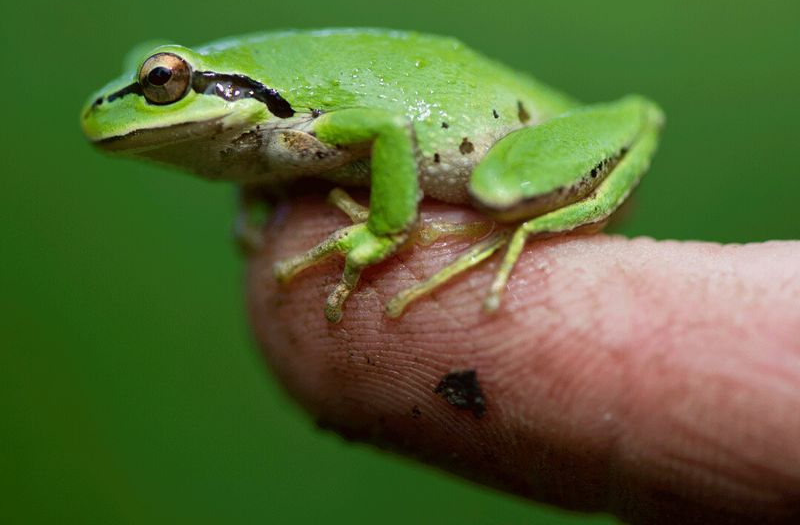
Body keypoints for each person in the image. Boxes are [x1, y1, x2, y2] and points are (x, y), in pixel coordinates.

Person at [248, 195, 800, 525]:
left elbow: (386, 130)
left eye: (164, 83)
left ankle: (503, 226)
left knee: (500, 192)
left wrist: (386, 229)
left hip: (503, 142)